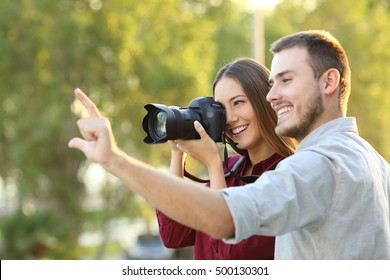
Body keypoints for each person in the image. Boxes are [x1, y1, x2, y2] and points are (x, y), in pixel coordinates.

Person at [69, 30, 390, 259]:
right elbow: (175, 235)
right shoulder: (376, 164)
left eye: (286, 80)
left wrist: (115, 160)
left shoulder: (309, 167)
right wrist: (178, 154)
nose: (272, 95)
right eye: (272, 83)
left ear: (329, 82)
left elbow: (227, 231)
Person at [156, 58, 296, 259]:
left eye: (238, 102)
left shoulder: (289, 175)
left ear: (265, 101)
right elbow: (173, 235)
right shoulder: (229, 170)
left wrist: (213, 165)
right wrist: (178, 153)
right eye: (222, 109)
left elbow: (233, 254)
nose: (230, 119)